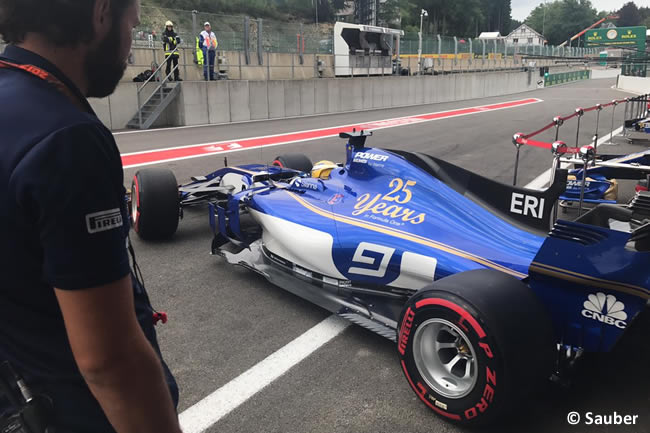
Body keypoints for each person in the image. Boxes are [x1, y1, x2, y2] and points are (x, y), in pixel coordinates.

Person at [0, 1, 182, 433]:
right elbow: (110, 360)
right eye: (132, 27)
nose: (130, 52)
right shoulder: (67, 140)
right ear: (101, 13)